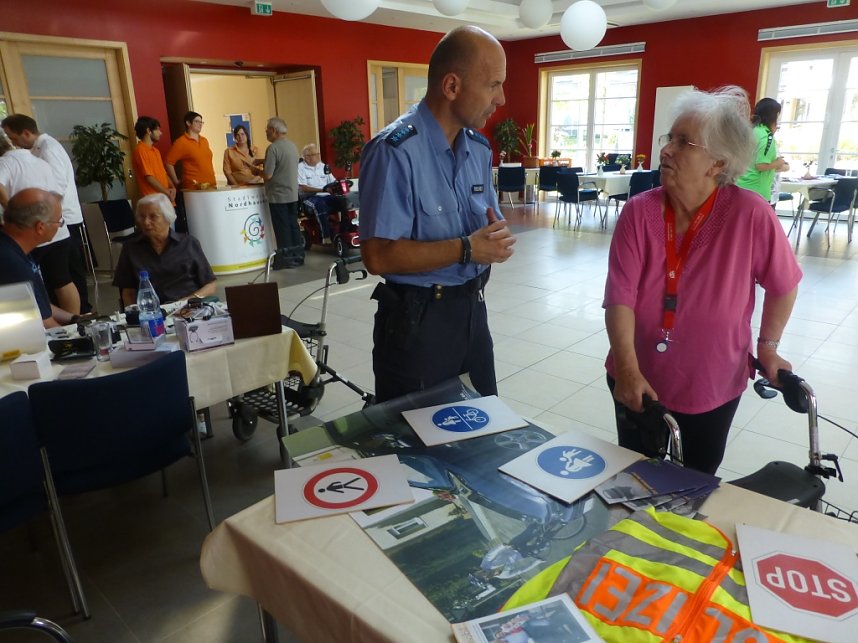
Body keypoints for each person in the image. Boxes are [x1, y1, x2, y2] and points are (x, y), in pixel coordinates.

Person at [603, 86, 802, 474]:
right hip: (636, 376)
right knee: (637, 480)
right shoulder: (639, 212)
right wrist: (627, 371)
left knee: (696, 485)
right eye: (670, 138)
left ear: (717, 163)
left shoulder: (750, 214)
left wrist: (769, 347)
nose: (666, 150)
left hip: (712, 382)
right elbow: (620, 297)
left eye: (684, 142)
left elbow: (784, 283)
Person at [359, 26, 515, 403]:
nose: (502, 99)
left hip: (472, 314)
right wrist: (466, 249)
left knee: (483, 430)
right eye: (493, 85)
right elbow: (378, 256)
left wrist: (492, 238)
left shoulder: (478, 149)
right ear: (451, 87)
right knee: (418, 450)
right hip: (417, 324)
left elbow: (483, 228)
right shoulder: (394, 151)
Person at [2, 113, 88, 314]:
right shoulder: (35, 154)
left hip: (51, 221)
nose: (13, 142)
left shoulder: (47, 149)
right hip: (49, 222)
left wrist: (13, 208)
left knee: (60, 278)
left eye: (13, 137)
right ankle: (69, 320)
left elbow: (57, 188)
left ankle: (76, 318)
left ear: (25, 132)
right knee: (57, 279)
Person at [112, 193, 216, 306]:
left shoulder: (188, 244)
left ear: (168, 218)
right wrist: (136, 316)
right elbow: (128, 292)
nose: (146, 222)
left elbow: (210, 284)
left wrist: (188, 301)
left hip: (188, 308)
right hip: (151, 313)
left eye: (153, 216)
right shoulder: (131, 248)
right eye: (142, 217)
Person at [0, 188, 76, 328]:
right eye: (59, 221)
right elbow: (44, 324)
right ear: (40, 227)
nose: (60, 226)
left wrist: (75, 319)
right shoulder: (11, 261)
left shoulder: (17, 247)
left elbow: (43, 307)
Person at [261, 117, 303, 269]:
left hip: (278, 195)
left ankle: (285, 259)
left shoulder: (273, 148)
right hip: (292, 194)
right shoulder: (292, 146)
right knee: (293, 226)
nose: (266, 132)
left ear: (273, 130)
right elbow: (283, 164)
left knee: (282, 228)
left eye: (267, 130)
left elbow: (268, 175)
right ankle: (298, 256)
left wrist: (255, 170)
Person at [737, 97, 790, 204]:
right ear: (773, 116)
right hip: (757, 190)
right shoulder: (767, 136)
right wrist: (779, 163)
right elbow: (761, 165)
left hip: (741, 186)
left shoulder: (752, 131)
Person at [298, 142, 347, 242]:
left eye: (318, 154)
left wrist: (340, 184)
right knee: (319, 204)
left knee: (343, 201)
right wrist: (322, 189)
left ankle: (344, 230)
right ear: (307, 157)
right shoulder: (300, 168)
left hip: (326, 195)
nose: (318, 156)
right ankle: (326, 236)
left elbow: (332, 181)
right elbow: (303, 188)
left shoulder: (323, 166)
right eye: (315, 154)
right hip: (309, 197)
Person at [0, 134, 57, 208]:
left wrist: (9, 209)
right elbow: (54, 194)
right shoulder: (43, 163)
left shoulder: (4, 162)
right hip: (44, 214)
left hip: (20, 215)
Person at [131, 116, 176, 202]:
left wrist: (172, 188)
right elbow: (149, 178)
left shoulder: (156, 151)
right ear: (148, 131)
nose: (160, 133)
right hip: (154, 201)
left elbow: (164, 173)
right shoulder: (140, 151)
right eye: (158, 130)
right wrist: (167, 193)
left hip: (166, 199)